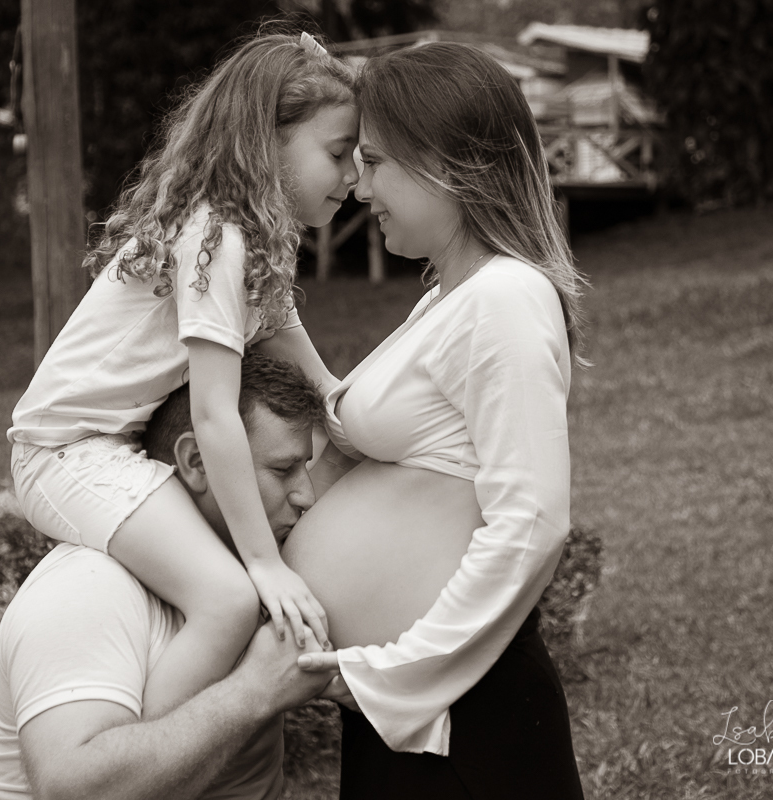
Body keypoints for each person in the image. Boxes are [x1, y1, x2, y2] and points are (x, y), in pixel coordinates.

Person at [6, 30, 358, 721]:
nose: (352, 178)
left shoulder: (250, 236)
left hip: (114, 448)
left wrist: (353, 410)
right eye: (339, 154)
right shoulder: (217, 237)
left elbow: (301, 355)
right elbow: (215, 414)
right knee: (228, 598)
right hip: (63, 452)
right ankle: (139, 768)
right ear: (268, 141)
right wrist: (264, 563)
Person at [282, 42, 587, 798]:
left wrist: (400, 673)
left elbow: (533, 522)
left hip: (465, 713)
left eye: (377, 163)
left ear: (450, 164)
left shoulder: (505, 298)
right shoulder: (449, 298)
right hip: (419, 710)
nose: (358, 187)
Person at [0, 353, 344, 800]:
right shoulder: (88, 587)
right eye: (283, 470)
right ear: (196, 461)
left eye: (305, 468)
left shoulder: (268, 571)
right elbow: (77, 791)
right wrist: (256, 690)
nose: (305, 495)